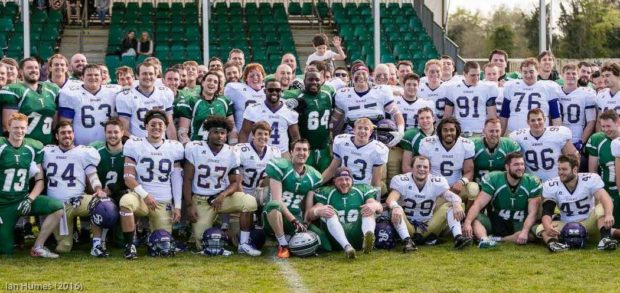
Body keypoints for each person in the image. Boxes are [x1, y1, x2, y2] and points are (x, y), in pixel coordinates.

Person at [183, 116, 260, 255]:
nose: (219, 136)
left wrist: (222, 195)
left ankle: (243, 244)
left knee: (249, 201)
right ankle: (214, 227)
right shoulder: (195, 148)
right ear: (208, 133)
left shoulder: (231, 152)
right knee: (203, 244)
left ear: (226, 135)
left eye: (223, 133)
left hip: (222, 198)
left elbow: (235, 183)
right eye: (215, 132)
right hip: (201, 199)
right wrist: (189, 206)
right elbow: (187, 179)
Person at [119, 110, 184, 260]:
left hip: (163, 201)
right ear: (146, 126)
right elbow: (128, 177)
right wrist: (145, 195)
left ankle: (147, 236)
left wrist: (178, 206)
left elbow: (176, 178)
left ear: (166, 127)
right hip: (141, 197)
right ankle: (130, 246)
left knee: (163, 243)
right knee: (126, 202)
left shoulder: (174, 147)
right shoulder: (135, 144)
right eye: (152, 124)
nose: (156, 127)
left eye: (160, 124)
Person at [0, 113, 64, 257]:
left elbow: (40, 181)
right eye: (16, 128)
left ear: (27, 128)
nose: (19, 131)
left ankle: (38, 246)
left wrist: (30, 199)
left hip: (22, 200)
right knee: (5, 250)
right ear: (8, 128)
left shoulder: (33, 147)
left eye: (22, 128)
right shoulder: (2, 146)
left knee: (57, 207)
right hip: (2, 204)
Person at [42, 121, 108, 255]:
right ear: (56, 136)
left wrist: (98, 189)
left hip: (78, 200)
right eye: (63, 133)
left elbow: (92, 175)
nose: (67, 135)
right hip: (57, 207)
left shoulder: (83, 152)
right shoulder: (47, 152)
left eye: (69, 132)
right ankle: (71, 235)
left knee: (102, 205)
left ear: (73, 134)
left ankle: (98, 243)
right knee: (63, 248)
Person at [387, 156, 470, 251]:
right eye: (418, 166)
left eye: (425, 167)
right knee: (396, 209)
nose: (422, 169)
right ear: (411, 168)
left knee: (453, 205)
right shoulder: (402, 181)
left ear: (429, 169)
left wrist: (456, 203)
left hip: (427, 226)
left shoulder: (436, 182)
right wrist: (395, 207)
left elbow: (452, 196)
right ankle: (407, 241)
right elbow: (391, 199)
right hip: (408, 225)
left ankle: (458, 238)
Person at [536, 154, 617, 252]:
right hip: (566, 223)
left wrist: (608, 214)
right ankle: (553, 243)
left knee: (602, 207)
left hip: (589, 222)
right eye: (559, 169)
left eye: (564, 169)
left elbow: (605, 197)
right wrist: (547, 226)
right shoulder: (552, 185)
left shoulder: (589, 179)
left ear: (574, 169)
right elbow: (547, 209)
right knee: (541, 227)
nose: (560, 172)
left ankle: (605, 239)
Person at [463, 152, 541, 248]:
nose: (520, 167)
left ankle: (497, 239)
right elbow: (478, 204)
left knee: (533, 233)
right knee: (475, 218)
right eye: (516, 164)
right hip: (497, 221)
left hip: (520, 223)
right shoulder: (494, 179)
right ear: (507, 167)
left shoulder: (531, 182)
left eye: (522, 164)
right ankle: (484, 240)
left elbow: (533, 213)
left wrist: (525, 231)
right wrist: (467, 222)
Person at [306, 167, 382, 259]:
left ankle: (368, 236)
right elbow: (311, 214)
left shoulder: (362, 189)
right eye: (340, 180)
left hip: (358, 235)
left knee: (368, 209)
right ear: (334, 181)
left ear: (352, 181)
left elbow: (378, 207)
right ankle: (347, 246)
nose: (344, 183)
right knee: (329, 212)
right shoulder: (326, 192)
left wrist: (374, 206)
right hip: (336, 240)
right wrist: (318, 211)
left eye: (347, 179)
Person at [263, 139, 321, 258]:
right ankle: (283, 244)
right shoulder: (281, 166)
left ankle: (289, 239)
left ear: (308, 153)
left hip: (296, 218)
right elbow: (277, 200)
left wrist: (305, 222)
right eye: (298, 149)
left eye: (305, 150)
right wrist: (294, 221)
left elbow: (308, 204)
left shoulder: (313, 175)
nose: (301, 152)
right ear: (291, 152)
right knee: (273, 205)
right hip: (273, 216)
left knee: (322, 240)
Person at [332, 63, 404, 144]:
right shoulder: (342, 94)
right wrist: (330, 133)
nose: (361, 76)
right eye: (358, 74)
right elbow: (335, 118)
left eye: (363, 73)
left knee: (388, 124)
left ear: (369, 76)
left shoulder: (381, 91)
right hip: (353, 128)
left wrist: (401, 132)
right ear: (352, 77)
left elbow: (396, 113)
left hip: (377, 127)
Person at [0, 57, 59, 145]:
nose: (34, 70)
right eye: (29, 68)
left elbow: (56, 121)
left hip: (49, 145)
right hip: (25, 145)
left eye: (36, 67)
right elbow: (8, 126)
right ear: (20, 71)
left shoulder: (52, 89)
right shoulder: (14, 90)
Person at [417, 117, 477, 201]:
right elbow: (421, 169)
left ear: (457, 132)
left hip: (456, 187)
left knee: (473, 188)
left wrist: (461, 182)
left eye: (452, 130)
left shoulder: (465, 145)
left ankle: (468, 213)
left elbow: (469, 171)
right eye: (445, 130)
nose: (449, 133)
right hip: (433, 186)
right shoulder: (428, 144)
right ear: (440, 132)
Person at [323, 118, 389, 194]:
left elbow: (376, 180)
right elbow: (332, 169)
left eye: (366, 129)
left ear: (370, 132)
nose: (362, 131)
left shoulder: (377, 149)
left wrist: (376, 199)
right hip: (343, 185)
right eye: (359, 128)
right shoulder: (342, 142)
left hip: (363, 188)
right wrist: (315, 184)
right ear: (354, 130)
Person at [283, 71, 332, 172]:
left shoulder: (328, 95)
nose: (314, 82)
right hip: (306, 149)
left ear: (322, 81)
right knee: (304, 176)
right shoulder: (299, 98)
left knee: (325, 177)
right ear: (304, 81)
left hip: (324, 148)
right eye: (310, 79)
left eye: (317, 80)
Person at [509, 108, 577, 182]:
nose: (537, 123)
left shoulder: (558, 134)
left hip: (556, 180)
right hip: (531, 182)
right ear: (528, 122)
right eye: (533, 120)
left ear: (544, 120)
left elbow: (573, 157)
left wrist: (571, 178)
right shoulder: (518, 137)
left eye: (539, 119)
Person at [90, 117, 127, 247]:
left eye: (116, 132)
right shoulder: (96, 152)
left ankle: (134, 233)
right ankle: (100, 241)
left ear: (122, 133)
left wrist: (114, 189)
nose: (112, 135)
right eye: (109, 132)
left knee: (121, 242)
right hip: (101, 197)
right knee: (102, 206)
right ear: (105, 133)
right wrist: (99, 191)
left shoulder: (129, 152)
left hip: (120, 195)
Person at [58, 64, 117, 146]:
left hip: (108, 146)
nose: (93, 77)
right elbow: (65, 123)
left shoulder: (113, 93)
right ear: (82, 77)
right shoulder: (71, 94)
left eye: (96, 75)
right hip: (80, 146)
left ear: (101, 77)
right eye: (89, 75)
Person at [499, 58, 562, 134]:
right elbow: (504, 115)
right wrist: (500, 137)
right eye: (525, 72)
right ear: (521, 73)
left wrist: (557, 136)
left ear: (538, 71)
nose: (528, 75)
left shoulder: (549, 87)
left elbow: (555, 116)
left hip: (540, 134)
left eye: (531, 72)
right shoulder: (511, 86)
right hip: (515, 133)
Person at [116, 62, 176, 139]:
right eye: (144, 74)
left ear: (155, 75)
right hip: (137, 143)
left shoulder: (165, 93)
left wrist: (174, 143)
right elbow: (124, 129)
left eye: (151, 74)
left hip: (161, 144)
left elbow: (170, 125)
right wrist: (138, 142)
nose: (148, 77)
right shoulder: (125, 96)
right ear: (137, 76)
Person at [239, 78, 300, 155]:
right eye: (271, 90)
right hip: (258, 152)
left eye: (277, 90)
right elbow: (244, 132)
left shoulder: (289, 111)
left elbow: (295, 137)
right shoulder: (253, 109)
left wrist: (294, 155)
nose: (274, 92)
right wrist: (241, 152)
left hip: (282, 153)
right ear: (265, 91)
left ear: (281, 91)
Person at [443, 61, 498, 137]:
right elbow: (447, 116)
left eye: (478, 75)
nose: (476, 78)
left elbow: (492, 116)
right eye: (472, 75)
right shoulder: (452, 88)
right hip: (459, 131)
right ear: (464, 74)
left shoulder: (487, 88)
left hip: (480, 131)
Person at [177, 71, 234, 143]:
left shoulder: (224, 101)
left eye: (215, 82)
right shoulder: (191, 101)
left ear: (218, 87)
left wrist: (233, 144)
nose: (212, 83)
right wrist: (188, 146)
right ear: (203, 83)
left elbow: (232, 129)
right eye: (209, 80)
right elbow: (182, 131)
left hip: (219, 147)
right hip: (198, 145)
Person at [555, 63, 596, 151]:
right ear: (562, 75)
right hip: (558, 137)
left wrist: (581, 141)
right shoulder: (555, 91)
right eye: (568, 73)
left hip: (577, 137)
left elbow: (591, 121)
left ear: (578, 76)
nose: (571, 76)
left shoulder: (587, 93)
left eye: (574, 73)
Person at [236, 121, 281, 199]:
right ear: (253, 135)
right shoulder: (241, 150)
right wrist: (243, 198)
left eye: (266, 134)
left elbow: (272, 179)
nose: (263, 137)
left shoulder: (274, 152)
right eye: (259, 133)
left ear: (269, 136)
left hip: (261, 192)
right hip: (241, 191)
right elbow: (235, 179)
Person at [471, 118, 521, 182]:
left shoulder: (509, 145)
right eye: (491, 131)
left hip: (501, 185)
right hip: (478, 185)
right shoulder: (473, 145)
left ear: (501, 130)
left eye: (497, 131)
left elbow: (517, 169)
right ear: (484, 131)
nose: (494, 134)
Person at [224, 63, 266, 132]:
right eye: (251, 76)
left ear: (263, 77)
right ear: (246, 78)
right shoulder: (235, 89)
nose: (255, 78)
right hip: (242, 133)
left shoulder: (268, 92)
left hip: (262, 134)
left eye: (258, 75)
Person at [401, 107, 436, 173]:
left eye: (428, 117)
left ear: (433, 119)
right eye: (422, 118)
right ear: (418, 120)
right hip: (419, 174)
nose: (425, 120)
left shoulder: (441, 134)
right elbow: (406, 167)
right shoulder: (411, 135)